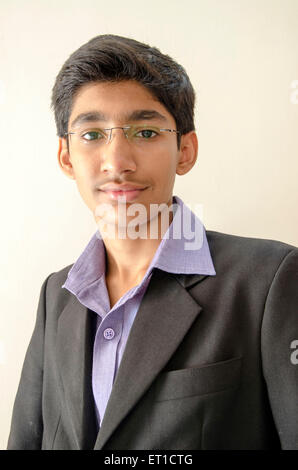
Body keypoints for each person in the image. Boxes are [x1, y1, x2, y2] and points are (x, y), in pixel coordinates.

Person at [7, 34, 298, 450]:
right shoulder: (57, 294)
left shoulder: (270, 280)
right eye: (92, 135)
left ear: (185, 149)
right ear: (66, 157)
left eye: (145, 132)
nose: (117, 162)